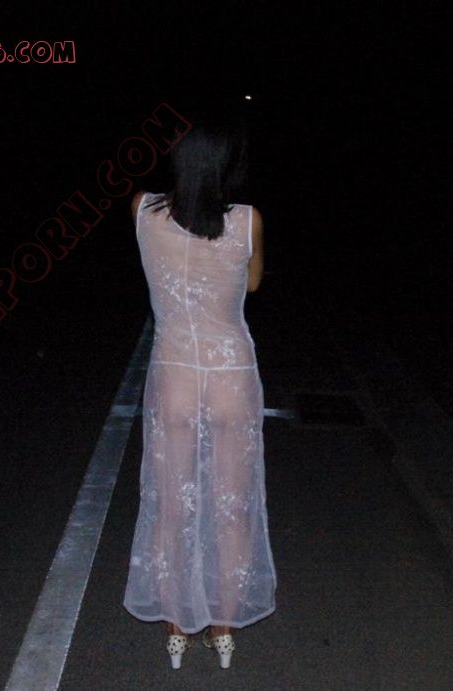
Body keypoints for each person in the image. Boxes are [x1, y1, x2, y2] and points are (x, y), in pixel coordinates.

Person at [123, 112, 277, 670]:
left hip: (175, 375)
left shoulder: (142, 210)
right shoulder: (247, 220)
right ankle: (224, 629)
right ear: (228, 164)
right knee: (232, 506)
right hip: (231, 373)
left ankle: (175, 630)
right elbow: (252, 283)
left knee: (171, 505)